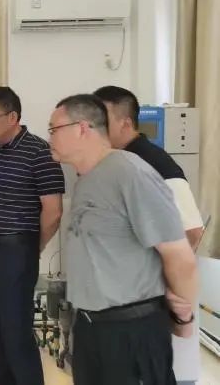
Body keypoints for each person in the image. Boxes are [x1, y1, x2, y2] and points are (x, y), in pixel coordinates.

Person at [48, 94, 199, 385]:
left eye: (54, 129)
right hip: (92, 328)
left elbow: (179, 255)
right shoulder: (87, 178)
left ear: (82, 128)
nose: (50, 137)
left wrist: (184, 320)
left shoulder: (130, 172)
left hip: (131, 331)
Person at [94, 85, 205, 385]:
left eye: (102, 119)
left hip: (148, 301)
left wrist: (165, 283)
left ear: (125, 122)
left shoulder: (155, 163)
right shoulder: (114, 162)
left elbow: (191, 230)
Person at [0, 86, 64, 385]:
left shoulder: (39, 152)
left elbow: (53, 211)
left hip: (15, 250)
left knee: (16, 333)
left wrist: (31, 248)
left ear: (12, 117)